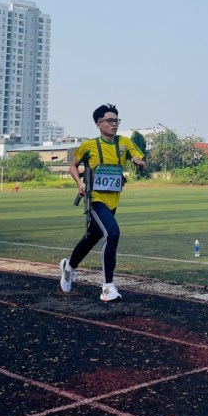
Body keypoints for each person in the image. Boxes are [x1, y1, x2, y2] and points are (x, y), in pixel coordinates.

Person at [59, 103, 146, 302]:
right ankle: (107, 287)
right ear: (99, 124)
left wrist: (139, 163)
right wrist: (79, 183)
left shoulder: (124, 142)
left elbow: (142, 163)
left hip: (112, 201)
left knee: (92, 237)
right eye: (109, 120)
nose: (114, 124)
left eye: (116, 120)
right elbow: (73, 166)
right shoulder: (89, 146)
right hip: (95, 199)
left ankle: (68, 267)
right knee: (112, 233)